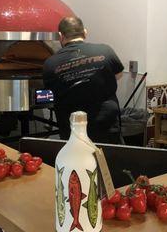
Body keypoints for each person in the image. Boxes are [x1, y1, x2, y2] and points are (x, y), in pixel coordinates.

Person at [43, 16, 124, 144]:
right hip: (105, 123)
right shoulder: (105, 50)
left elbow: (51, 91)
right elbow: (118, 75)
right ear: (85, 32)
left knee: (75, 161)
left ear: (60, 36)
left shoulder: (50, 63)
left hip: (73, 128)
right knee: (108, 160)